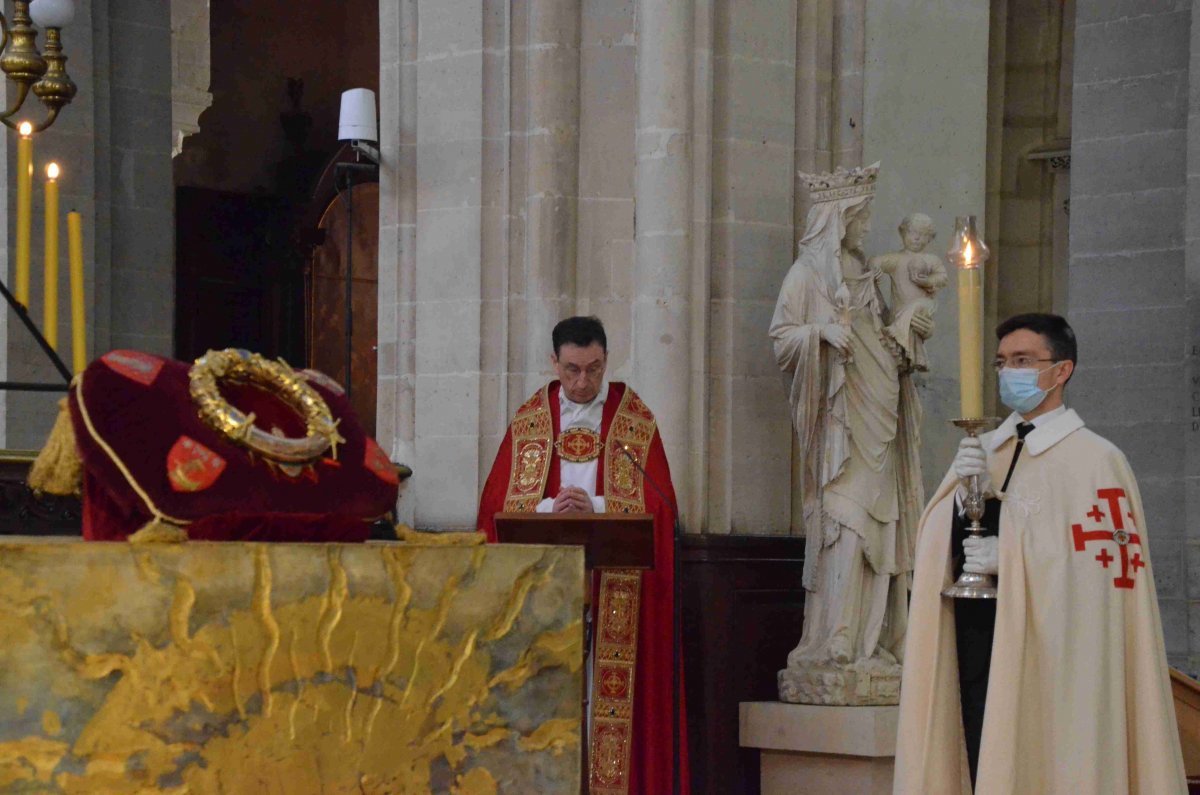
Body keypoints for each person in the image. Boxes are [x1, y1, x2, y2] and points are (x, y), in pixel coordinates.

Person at [894, 313, 1186, 794]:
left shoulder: (1097, 460)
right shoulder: (985, 448)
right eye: (1003, 361)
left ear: (1062, 370)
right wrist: (956, 501)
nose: (1011, 371)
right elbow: (929, 547)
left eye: (1025, 360)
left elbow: (1104, 574)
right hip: (977, 638)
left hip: (1056, 657)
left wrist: (1008, 555)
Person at [476, 315, 687, 795]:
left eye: (593, 369)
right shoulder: (530, 420)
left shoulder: (634, 420)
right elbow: (496, 509)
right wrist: (554, 507)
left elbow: (658, 505)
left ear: (606, 360)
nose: (583, 382)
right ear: (554, 362)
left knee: (607, 706)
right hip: (548, 594)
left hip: (615, 588)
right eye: (572, 369)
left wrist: (597, 508)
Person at [770, 164, 933, 704]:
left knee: (879, 525)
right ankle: (834, 641)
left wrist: (909, 332)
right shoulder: (807, 276)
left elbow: (883, 338)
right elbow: (782, 340)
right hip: (840, 419)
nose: (866, 226)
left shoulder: (865, 274)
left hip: (881, 405)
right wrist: (823, 330)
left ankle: (872, 644)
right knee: (845, 520)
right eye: (860, 217)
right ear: (837, 219)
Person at [869, 212, 948, 373]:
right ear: (902, 233)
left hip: (923, 307)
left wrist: (927, 282)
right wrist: (874, 269)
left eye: (922, 235)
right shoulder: (897, 259)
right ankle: (917, 357)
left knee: (917, 309)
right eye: (912, 233)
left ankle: (898, 335)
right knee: (910, 325)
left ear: (929, 238)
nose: (917, 238)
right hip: (899, 315)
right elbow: (875, 261)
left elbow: (943, 277)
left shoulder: (931, 259)